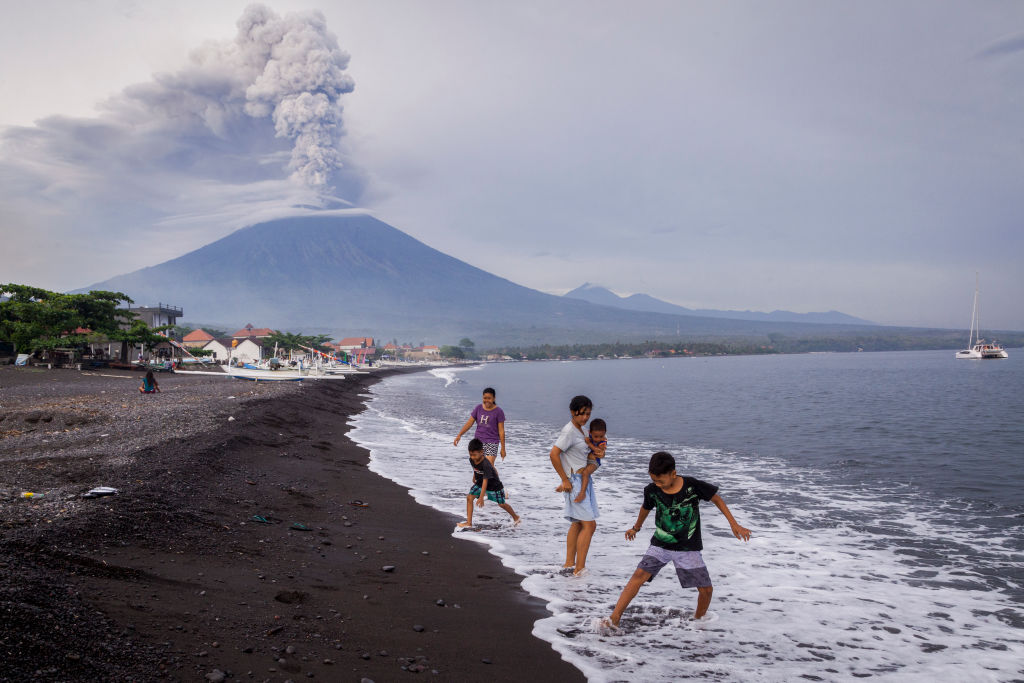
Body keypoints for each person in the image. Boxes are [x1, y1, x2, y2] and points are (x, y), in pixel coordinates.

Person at [602, 451, 750, 629]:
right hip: (660, 544)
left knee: (706, 590)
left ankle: (699, 621)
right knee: (638, 576)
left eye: (661, 481)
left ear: (673, 473)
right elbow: (645, 508)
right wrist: (636, 528)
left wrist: (734, 524)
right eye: (654, 480)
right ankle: (614, 618)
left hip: (688, 548)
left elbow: (716, 499)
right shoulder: (652, 490)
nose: (657, 484)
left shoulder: (692, 486)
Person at [549, 395, 598, 577]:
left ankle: (570, 563)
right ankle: (579, 568)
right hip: (574, 482)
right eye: (582, 413)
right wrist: (564, 480)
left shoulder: (583, 431)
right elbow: (554, 454)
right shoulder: (569, 431)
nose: (585, 417)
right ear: (572, 412)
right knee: (590, 525)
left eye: (588, 413)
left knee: (578, 523)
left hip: (582, 481)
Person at [457, 438, 520, 528]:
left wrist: (481, 497)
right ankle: (469, 523)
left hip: (494, 486)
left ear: (482, 452)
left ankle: (516, 517)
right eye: (470, 454)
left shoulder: (486, 464)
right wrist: (474, 476)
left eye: (474, 455)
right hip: (480, 482)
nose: (472, 457)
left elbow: (486, 481)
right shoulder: (471, 459)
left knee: (502, 504)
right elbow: (475, 468)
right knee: (469, 498)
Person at [453, 387, 506, 465]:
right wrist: (459, 435)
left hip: (492, 442)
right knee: (478, 468)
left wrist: (503, 448)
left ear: (494, 398)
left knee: (488, 466)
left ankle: (494, 477)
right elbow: (469, 423)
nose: (487, 400)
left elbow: (501, 431)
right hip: (478, 442)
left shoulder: (499, 412)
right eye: (485, 398)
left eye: (489, 398)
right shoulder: (478, 408)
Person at [574, 418, 607, 504]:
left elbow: (598, 451)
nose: (598, 439)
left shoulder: (603, 442)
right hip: (585, 459)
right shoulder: (587, 434)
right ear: (590, 432)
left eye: (601, 436)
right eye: (596, 436)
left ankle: (582, 493)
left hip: (594, 462)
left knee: (585, 473)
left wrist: (589, 443)